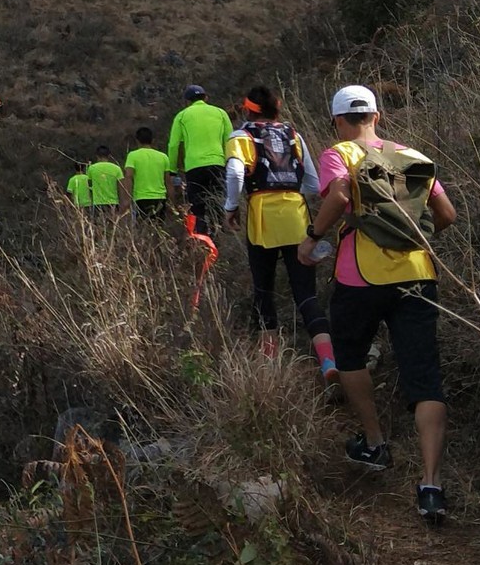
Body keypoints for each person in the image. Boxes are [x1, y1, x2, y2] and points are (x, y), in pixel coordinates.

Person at [298, 84, 456, 525]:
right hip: (418, 275)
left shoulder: (340, 153)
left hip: (359, 276)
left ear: (337, 120)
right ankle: (431, 485)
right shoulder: (412, 156)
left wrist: (312, 239)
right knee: (424, 377)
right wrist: (412, 240)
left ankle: (375, 443)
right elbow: (447, 215)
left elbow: (341, 195)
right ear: (377, 116)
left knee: (349, 355)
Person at [224, 86, 336, 388]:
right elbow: (312, 182)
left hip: (262, 218)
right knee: (307, 294)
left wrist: (230, 206)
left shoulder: (241, 137)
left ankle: (270, 367)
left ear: (249, 110)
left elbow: (235, 173)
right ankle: (328, 363)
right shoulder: (294, 135)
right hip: (297, 216)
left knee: (264, 291)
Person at [167, 85, 232, 237]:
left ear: (187, 102)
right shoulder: (220, 113)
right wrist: (229, 162)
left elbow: (173, 145)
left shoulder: (182, 116)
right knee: (218, 202)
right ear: (206, 98)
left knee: (197, 207)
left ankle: (202, 241)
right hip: (218, 164)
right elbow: (230, 140)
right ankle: (220, 237)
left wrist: (172, 170)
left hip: (194, 167)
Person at [123, 126, 173, 220]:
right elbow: (168, 182)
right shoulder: (163, 157)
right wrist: (173, 202)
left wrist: (127, 199)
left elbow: (128, 177)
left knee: (143, 229)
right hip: (160, 199)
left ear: (137, 140)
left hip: (141, 199)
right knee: (158, 228)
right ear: (152, 140)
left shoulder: (132, 156)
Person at [86, 144, 124, 214]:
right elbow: (121, 187)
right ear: (109, 156)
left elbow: (89, 186)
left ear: (97, 155)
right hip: (113, 203)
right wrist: (122, 202)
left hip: (97, 203)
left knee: (98, 224)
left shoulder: (91, 168)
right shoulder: (117, 168)